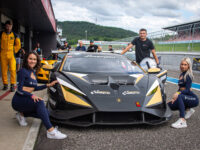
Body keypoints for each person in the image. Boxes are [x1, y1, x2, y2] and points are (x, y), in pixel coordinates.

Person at [11, 52, 67, 139]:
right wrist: (32, 96)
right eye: (30, 59)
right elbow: (19, 89)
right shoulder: (22, 71)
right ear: (26, 60)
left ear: (37, 61)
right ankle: (51, 131)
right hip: (18, 100)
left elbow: (34, 88)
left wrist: (48, 85)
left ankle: (22, 114)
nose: (32, 61)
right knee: (40, 102)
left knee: (46, 114)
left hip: (25, 98)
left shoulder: (33, 72)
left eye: (34, 59)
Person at [168, 57, 199, 129]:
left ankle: (182, 121)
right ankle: (188, 110)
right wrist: (174, 97)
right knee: (170, 105)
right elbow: (180, 89)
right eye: (182, 64)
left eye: (185, 64)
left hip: (194, 99)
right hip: (185, 97)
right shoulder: (181, 75)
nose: (183, 66)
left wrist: (178, 94)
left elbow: (187, 90)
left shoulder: (189, 75)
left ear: (188, 66)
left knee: (179, 96)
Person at [0, 20, 21, 92]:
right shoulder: (1, 34)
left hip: (11, 54)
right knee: (4, 70)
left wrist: (14, 50)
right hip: (3, 54)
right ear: (5, 26)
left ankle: (12, 85)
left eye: (10, 26)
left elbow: (18, 45)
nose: (8, 27)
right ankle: (5, 84)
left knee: (12, 70)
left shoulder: (15, 35)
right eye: (7, 26)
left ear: (11, 27)